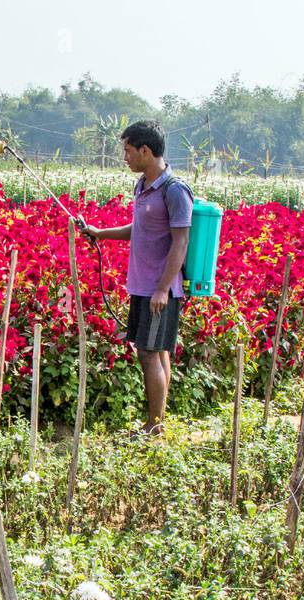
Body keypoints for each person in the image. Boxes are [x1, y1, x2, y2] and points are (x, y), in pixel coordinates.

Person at [79, 120, 192, 435]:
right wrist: (101, 233)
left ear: (145, 150)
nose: (125, 157)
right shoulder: (142, 186)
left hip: (159, 288)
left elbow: (180, 241)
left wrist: (161, 289)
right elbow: (139, 230)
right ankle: (159, 423)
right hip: (143, 285)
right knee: (159, 351)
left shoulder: (175, 190)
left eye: (128, 151)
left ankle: (154, 428)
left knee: (148, 353)